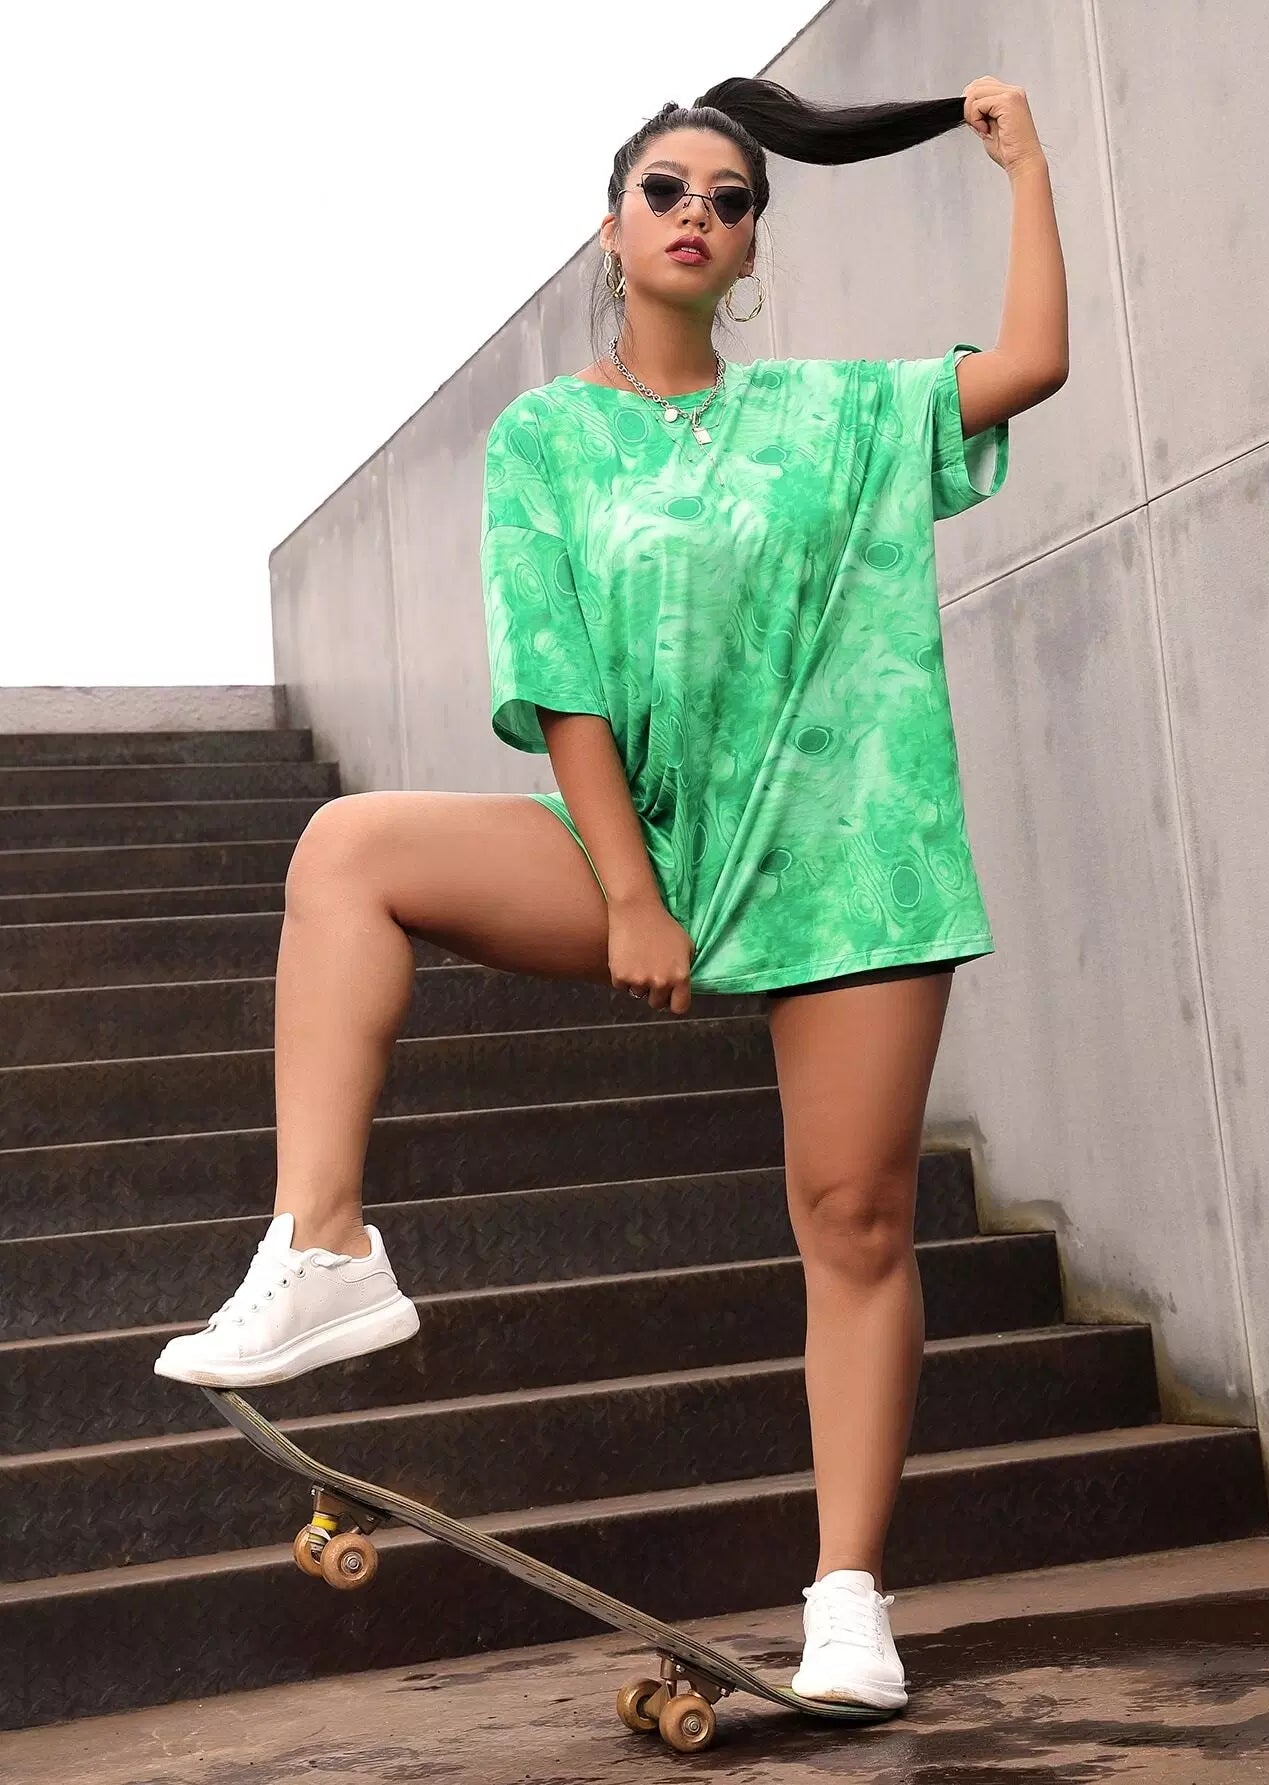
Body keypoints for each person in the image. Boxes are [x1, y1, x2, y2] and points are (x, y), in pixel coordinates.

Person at [154, 74, 1067, 1713]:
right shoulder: (547, 441)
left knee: (855, 1218)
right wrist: (633, 895)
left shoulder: (834, 416)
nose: (696, 211)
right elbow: (559, 673)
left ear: (751, 249)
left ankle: (848, 1597)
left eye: (729, 197)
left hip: (850, 849)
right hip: (633, 835)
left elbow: (1030, 365)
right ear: (613, 225)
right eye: (666, 189)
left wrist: (1026, 171)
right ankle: (326, 1246)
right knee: (345, 850)